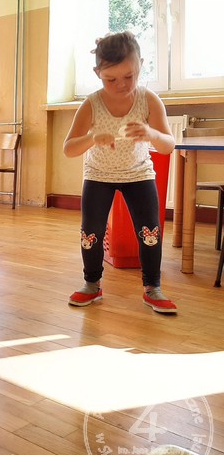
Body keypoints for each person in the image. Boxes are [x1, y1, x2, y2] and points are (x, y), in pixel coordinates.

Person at [63, 31, 177, 314]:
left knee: (150, 231)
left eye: (129, 76)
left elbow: (168, 145)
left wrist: (151, 133)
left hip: (139, 174)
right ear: (97, 74)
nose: (122, 85)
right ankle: (92, 284)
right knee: (91, 232)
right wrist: (92, 138)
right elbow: (69, 148)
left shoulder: (149, 100)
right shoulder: (91, 104)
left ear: (141, 65)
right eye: (110, 79)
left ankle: (152, 287)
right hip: (98, 175)